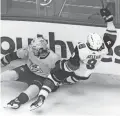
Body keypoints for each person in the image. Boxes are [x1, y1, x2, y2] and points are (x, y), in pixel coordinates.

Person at [30, 8, 117, 110]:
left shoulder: (82, 49)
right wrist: (109, 20)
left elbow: (72, 66)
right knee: (70, 80)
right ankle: (62, 82)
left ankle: (42, 97)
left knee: (53, 77)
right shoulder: (104, 49)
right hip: (86, 74)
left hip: (77, 71)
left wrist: (61, 65)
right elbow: (112, 35)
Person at [0, 34, 60, 109]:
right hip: (27, 70)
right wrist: (3, 61)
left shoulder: (53, 58)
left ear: (42, 49)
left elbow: (59, 74)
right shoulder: (30, 49)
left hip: (41, 78)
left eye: (35, 49)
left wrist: (54, 85)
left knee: (33, 89)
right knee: (10, 74)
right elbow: (16, 54)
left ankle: (18, 101)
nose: (32, 50)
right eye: (32, 48)